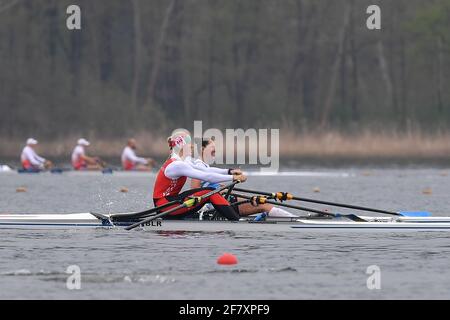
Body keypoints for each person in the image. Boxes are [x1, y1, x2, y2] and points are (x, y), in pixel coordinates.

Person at [152, 130, 247, 221]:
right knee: (210, 192)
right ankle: (235, 220)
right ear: (182, 146)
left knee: (208, 191)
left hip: (170, 202)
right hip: (165, 207)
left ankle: (231, 217)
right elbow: (206, 176)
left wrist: (229, 171)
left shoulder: (181, 161)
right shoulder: (177, 165)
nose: (192, 146)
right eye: (189, 144)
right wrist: (233, 178)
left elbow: (205, 170)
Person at [191, 139, 298, 218]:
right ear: (203, 149)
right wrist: (219, 189)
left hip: (224, 200)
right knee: (263, 204)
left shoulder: (205, 166)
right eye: (212, 147)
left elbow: (208, 185)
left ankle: (291, 218)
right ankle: (296, 220)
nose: (215, 150)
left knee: (260, 201)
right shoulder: (198, 165)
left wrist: (221, 187)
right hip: (218, 205)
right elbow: (195, 191)